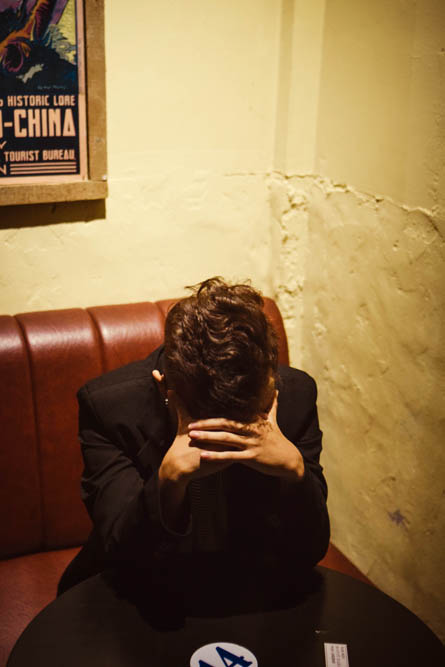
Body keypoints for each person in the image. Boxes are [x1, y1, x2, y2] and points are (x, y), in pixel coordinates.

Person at [58, 278, 329, 610]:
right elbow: (120, 554)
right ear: (164, 386)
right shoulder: (109, 408)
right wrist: (168, 482)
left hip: (256, 589)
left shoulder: (295, 395)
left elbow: (309, 551)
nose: (225, 434)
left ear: (271, 379)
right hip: (140, 595)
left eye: (246, 416)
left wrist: (295, 473)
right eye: (210, 417)